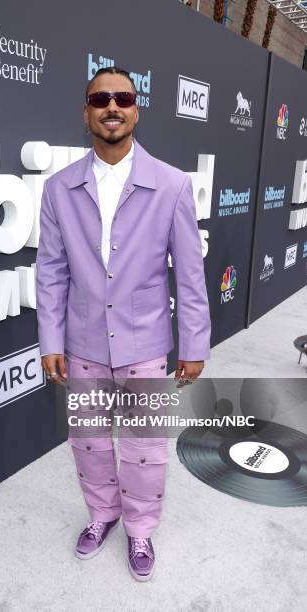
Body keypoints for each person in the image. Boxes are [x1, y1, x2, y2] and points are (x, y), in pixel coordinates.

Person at [35, 66, 211, 581]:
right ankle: (102, 516)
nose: (112, 107)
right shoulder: (59, 188)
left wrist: (194, 342)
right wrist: (50, 339)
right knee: (88, 441)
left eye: (123, 97)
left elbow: (192, 275)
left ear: (137, 108)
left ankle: (139, 530)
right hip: (83, 342)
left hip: (147, 344)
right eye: (100, 99)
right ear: (86, 111)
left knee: (144, 446)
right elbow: (51, 272)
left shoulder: (173, 185)